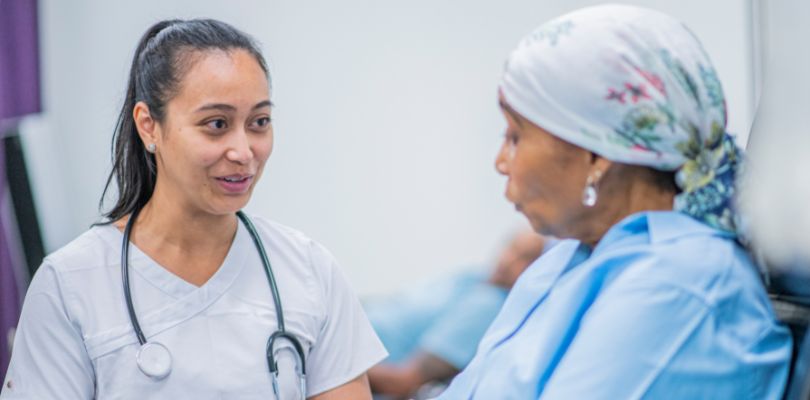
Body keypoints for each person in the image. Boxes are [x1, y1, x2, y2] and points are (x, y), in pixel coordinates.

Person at [1, 19, 386, 399]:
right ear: (149, 126)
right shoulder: (70, 284)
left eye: (259, 122)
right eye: (216, 124)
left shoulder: (308, 270)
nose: (243, 151)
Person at [435, 5, 792, 399]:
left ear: (597, 153)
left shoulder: (681, 282)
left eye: (516, 137)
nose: (501, 162)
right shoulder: (567, 259)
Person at [365, 229, 547, 399]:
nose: (509, 261)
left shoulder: (488, 306)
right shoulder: (471, 278)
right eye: (512, 249)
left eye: (526, 259)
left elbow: (403, 382)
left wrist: (343, 362)